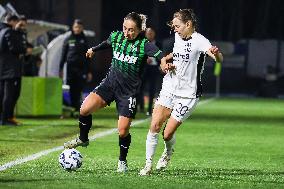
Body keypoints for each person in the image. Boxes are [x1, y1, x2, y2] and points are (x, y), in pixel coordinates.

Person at [63, 12, 166, 173]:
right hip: (109, 85)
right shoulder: (117, 37)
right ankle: (83, 138)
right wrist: (93, 49)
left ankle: (122, 161)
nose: (127, 32)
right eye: (125, 28)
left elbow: (160, 55)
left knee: (123, 130)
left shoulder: (144, 44)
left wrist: (165, 63)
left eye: (131, 30)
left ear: (140, 30)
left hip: (128, 92)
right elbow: (107, 43)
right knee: (84, 109)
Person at [139, 9, 223, 175]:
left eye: (177, 26)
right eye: (173, 26)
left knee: (167, 134)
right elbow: (170, 57)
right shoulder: (177, 37)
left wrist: (216, 54)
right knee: (154, 125)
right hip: (169, 88)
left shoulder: (200, 41)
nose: (174, 29)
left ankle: (168, 152)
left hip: (188, 95)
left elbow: (219, 59)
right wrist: (164, 64)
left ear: (188, 24)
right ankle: (147, 165)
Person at [59, 19, 92, 112]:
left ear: (82, 28)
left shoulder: (84, 40)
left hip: (82, 69)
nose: (77, 29)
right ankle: (75, 107)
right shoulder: (68, 39)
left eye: (79, 27)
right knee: (72, 88)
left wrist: (89, 71)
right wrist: (60, 69)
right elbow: (63, 55)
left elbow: (88, 56)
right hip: (70, 69)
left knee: (79, 87)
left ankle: (78, 107)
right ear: (73, 28)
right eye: (75, 27)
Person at [0, 14, 27, 126]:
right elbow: (15, 49)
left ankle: (4, 118)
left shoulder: (1, 31)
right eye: (17, 22)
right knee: (10, 95)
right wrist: (24, 50)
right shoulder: (9, 32)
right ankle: (6, 118)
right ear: (12, 21)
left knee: (2, 94)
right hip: (10, 69)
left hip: (2, 67)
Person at [137, 27, 162, 115]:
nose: (150, 35)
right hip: (144, 68)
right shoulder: (142, 43)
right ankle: (141, 107)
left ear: (154, 34)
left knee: (152, 89)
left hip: (154, 69)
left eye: (151, 33)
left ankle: (150, 109)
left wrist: (160, 65)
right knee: (140, 88)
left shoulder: (158, 44)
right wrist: (145, 59)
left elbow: (161, 56)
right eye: (148, 33)